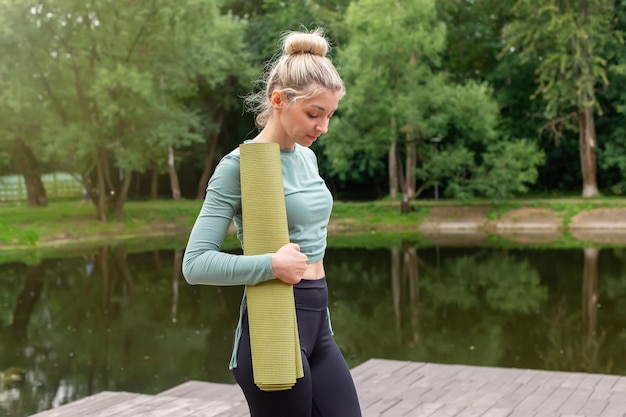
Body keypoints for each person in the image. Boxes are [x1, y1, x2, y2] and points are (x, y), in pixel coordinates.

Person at [182, 28, 362, 417]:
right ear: (278, 100)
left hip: (319, 324)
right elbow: (195, 264)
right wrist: (271, 265)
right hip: (274, 328)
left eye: (329, 115)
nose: (323, 127)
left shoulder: (306, 157)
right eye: (314, 114)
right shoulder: (239, 168)